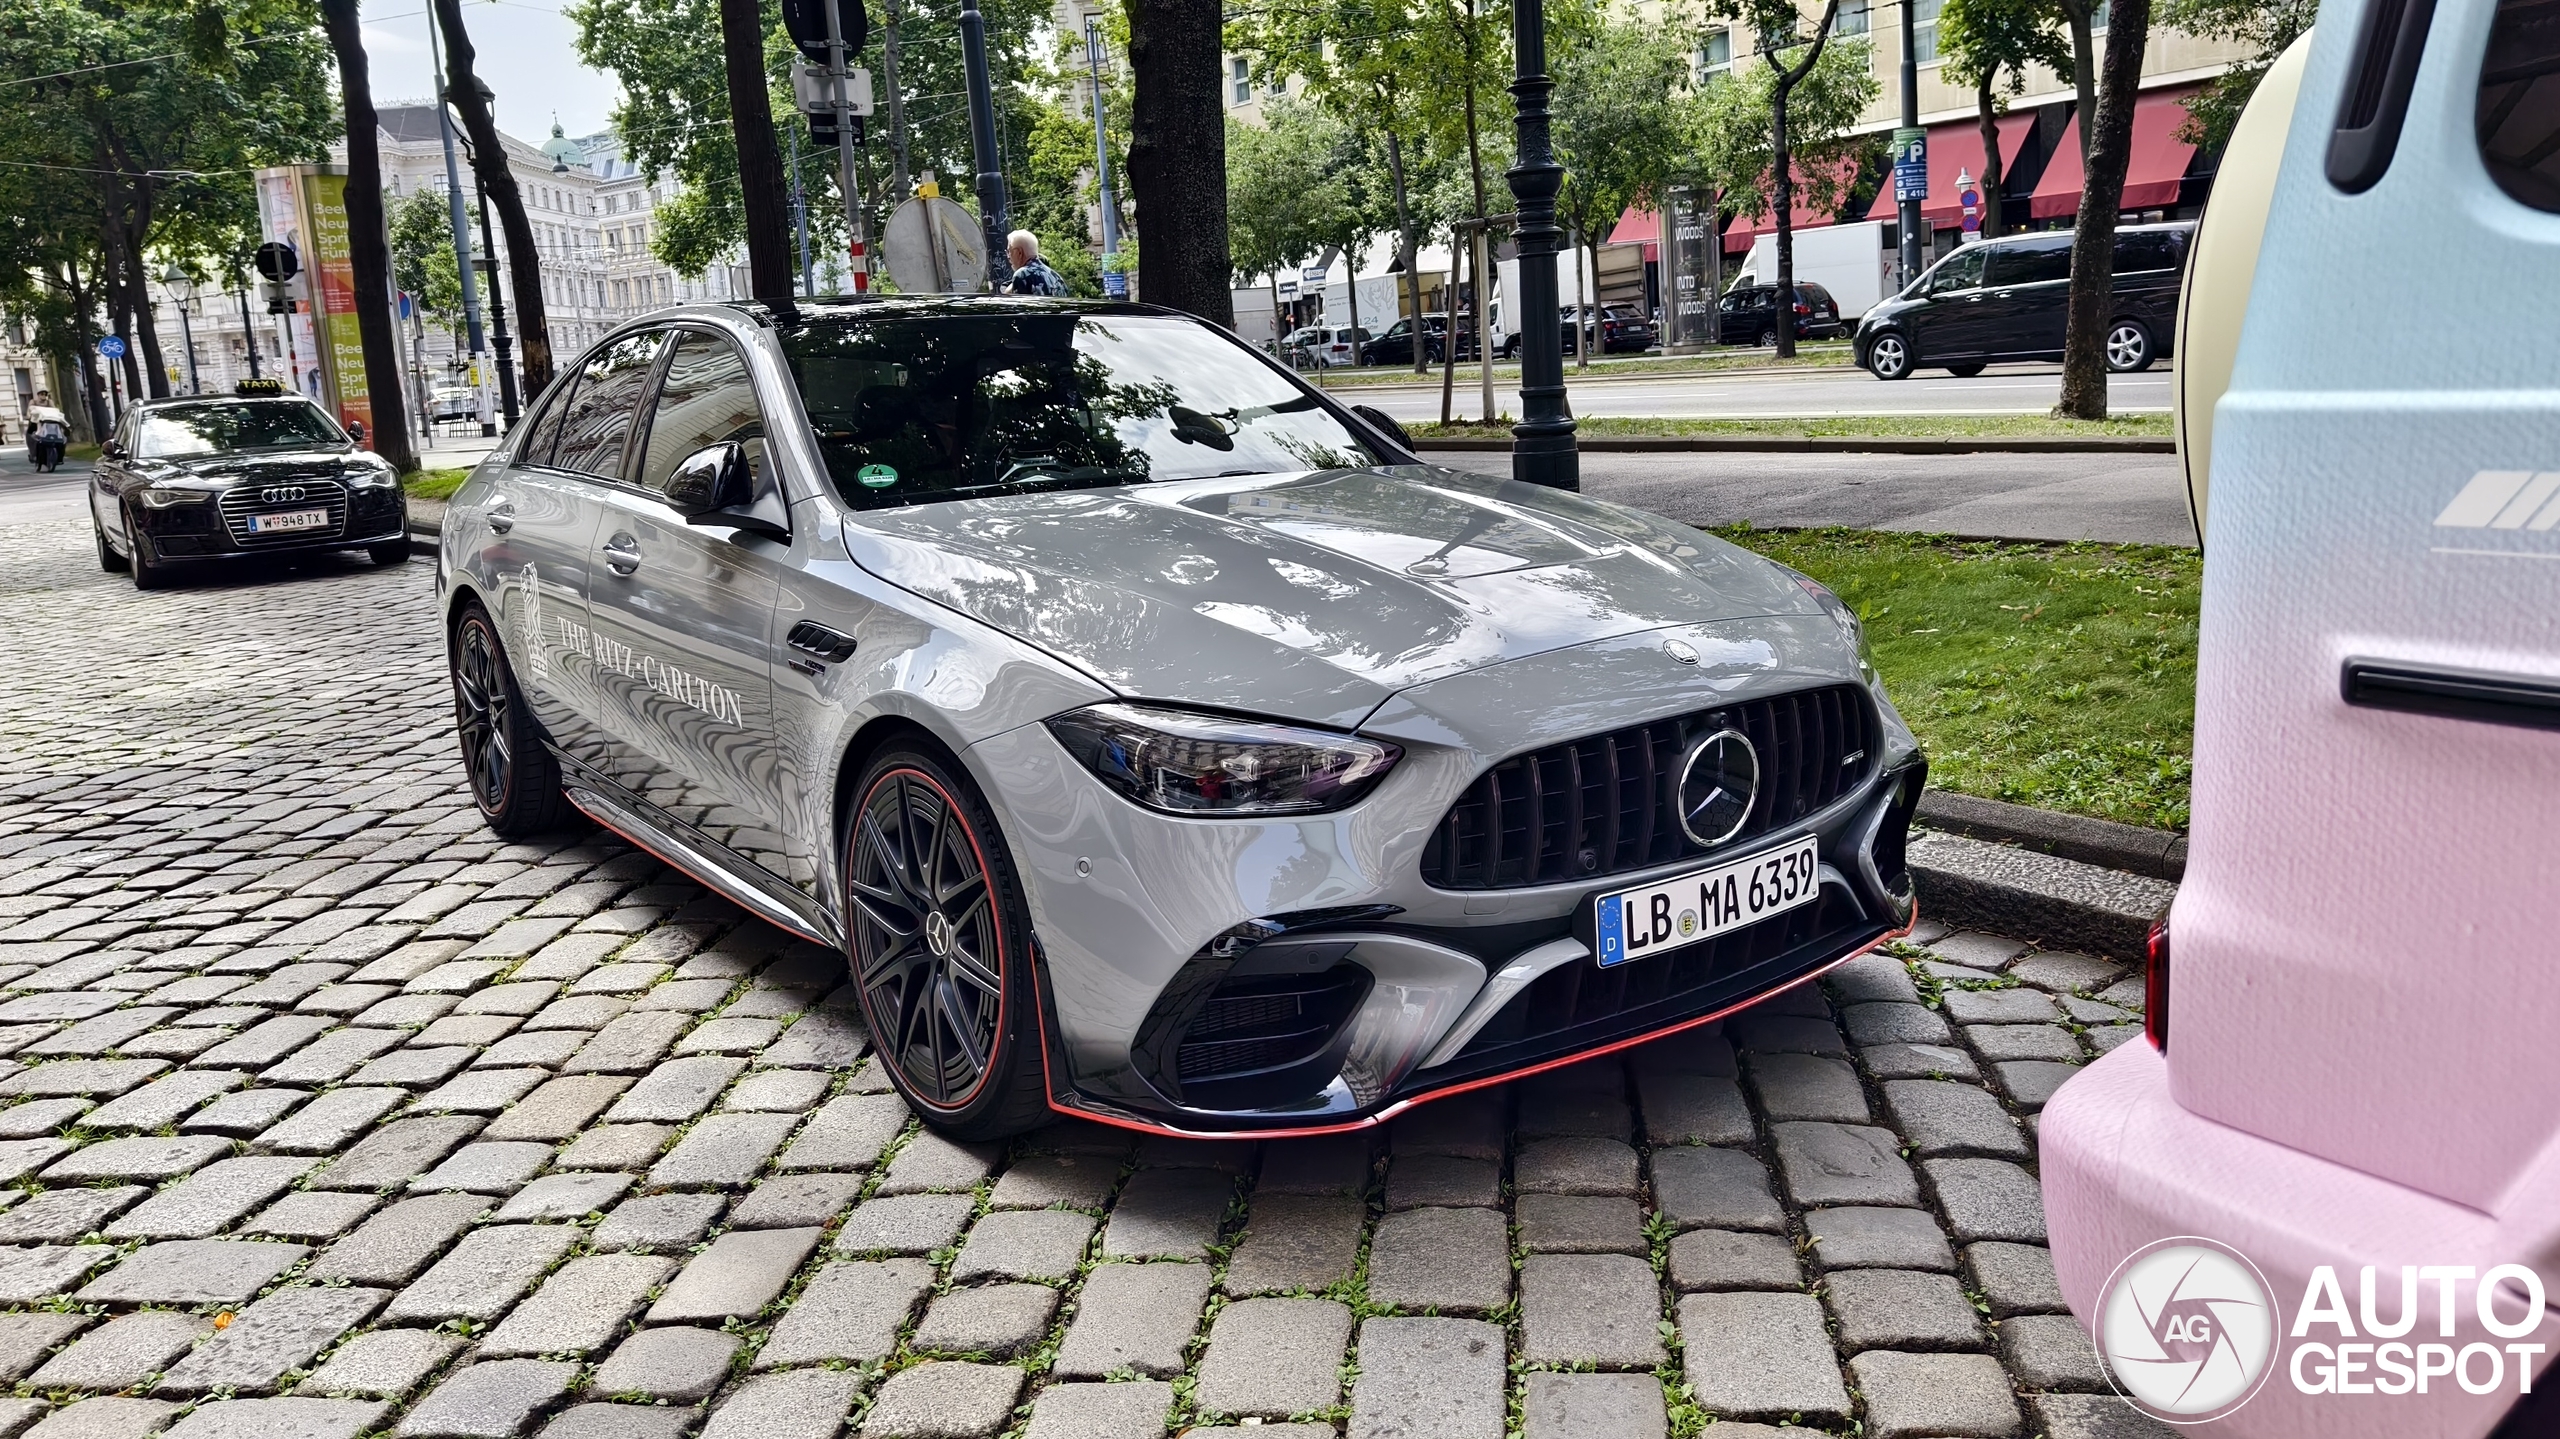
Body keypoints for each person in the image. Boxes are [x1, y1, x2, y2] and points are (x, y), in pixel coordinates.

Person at [1004, 231, 1069, 297]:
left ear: (1019, 253)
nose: (1008, 257)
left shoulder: (1022, 274)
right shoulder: (1057, 277)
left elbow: (1020, 307)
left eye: (1009, 251)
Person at [24, 391, 68, 474]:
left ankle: (59, 457)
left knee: (62, 438)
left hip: (49, 423)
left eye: (45, 394)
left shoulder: (49, 402)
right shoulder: (33, 401)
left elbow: (54, 411)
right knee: (31, 435)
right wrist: (29, 416)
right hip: (36, 422)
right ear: (38, 395)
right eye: (42, 394)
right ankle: (34, 454)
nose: (43, 396)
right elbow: (29, 411)